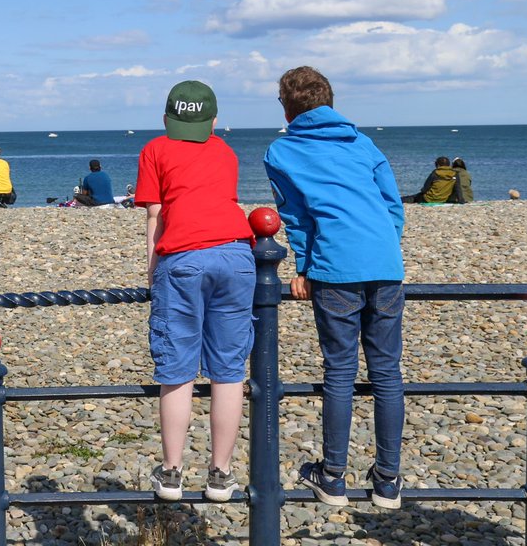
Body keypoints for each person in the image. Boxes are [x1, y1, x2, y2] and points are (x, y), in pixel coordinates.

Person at [263, 66, 405, 509]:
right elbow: (392, 206)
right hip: (384, 264)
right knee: (387, 372)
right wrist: (383, 248)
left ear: (287, 106)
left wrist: (303, 267)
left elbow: (297, 219)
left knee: (340, 372)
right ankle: (388, 480)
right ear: (330, 101)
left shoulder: (281, 151)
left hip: (334, 269)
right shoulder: (363, 143)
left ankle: (333, 476)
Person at [132, 80, 256, 503]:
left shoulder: (155, 149)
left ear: (166, 118)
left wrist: (152, 271)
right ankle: (220, 474)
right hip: (238, 254)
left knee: (178, 369)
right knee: (229, 371)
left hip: (184, 257)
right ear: (214, 120)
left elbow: (155, 214)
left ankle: (171, 472)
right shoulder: (225, 151)